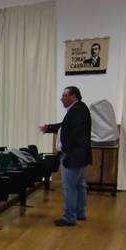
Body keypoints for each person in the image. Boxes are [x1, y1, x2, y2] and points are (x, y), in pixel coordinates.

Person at [40, 86, 92, 226]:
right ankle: (80, 213)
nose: (61, 98)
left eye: (64, 95)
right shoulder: (78, 109)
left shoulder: (77, 110)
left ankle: (69, 217)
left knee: (69, 186)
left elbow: (75, 132)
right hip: (78, 154)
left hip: (73, 155)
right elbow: (65, 126)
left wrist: (67, 150)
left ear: (73, 96)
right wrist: (49, 128)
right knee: (79, 185)